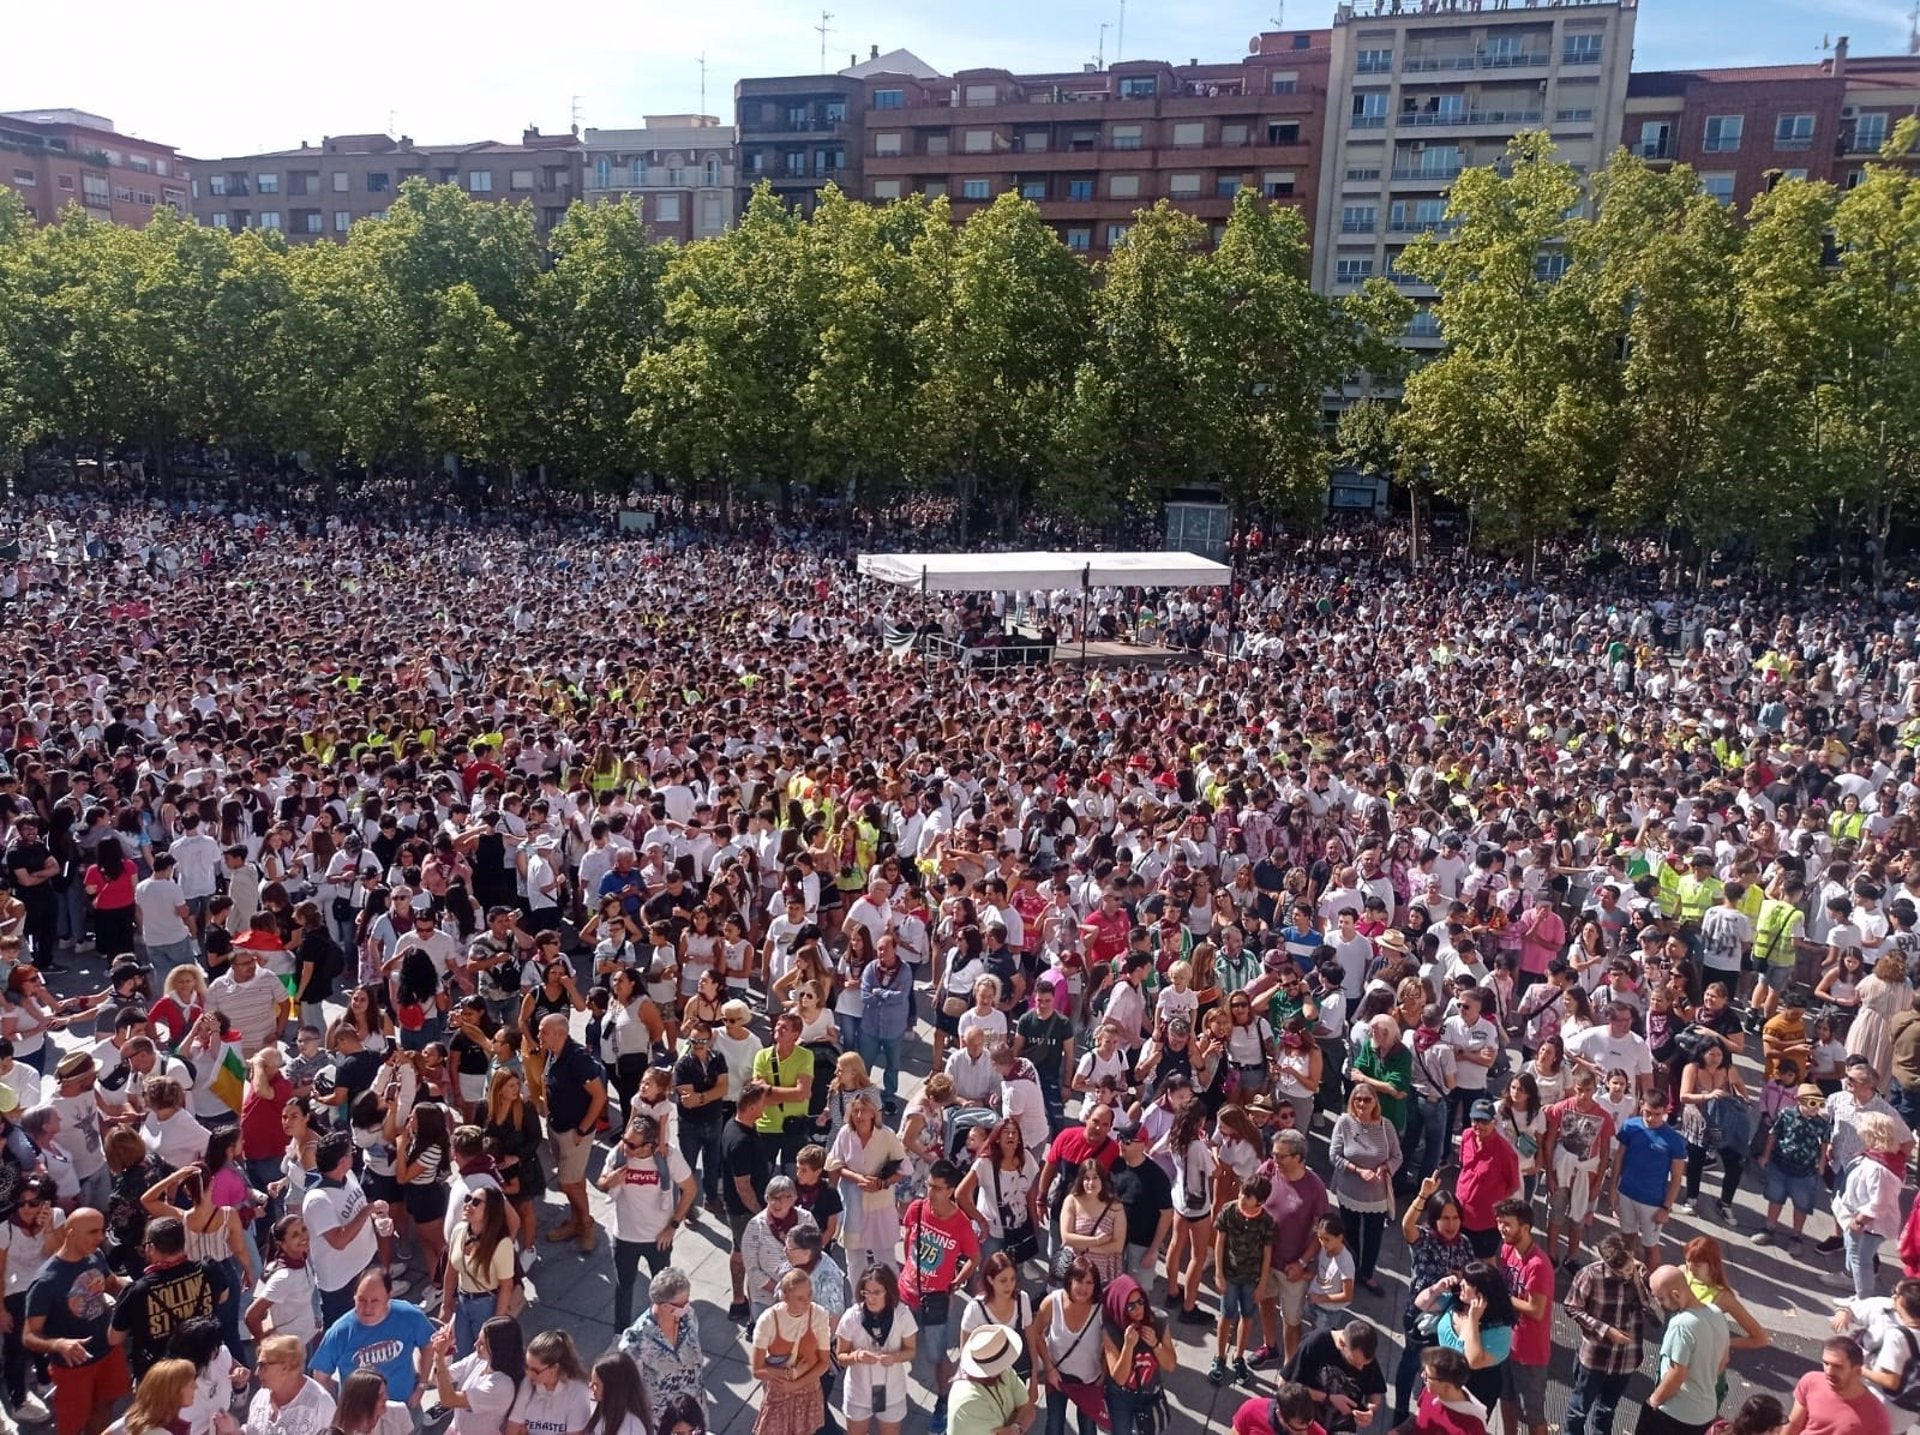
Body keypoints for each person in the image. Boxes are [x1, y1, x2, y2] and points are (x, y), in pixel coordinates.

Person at [22, 1206, 130, 1435]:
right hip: (74, 1367)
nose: (101, 1237)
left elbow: (111, 1282)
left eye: (102, 1231)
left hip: (108, 1350)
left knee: (106, 1404)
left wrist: (138, 1287)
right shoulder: (46, 1281)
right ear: (70, 1233)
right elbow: (29, 1335)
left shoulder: (95, 1256)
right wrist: (58, 1344)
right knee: (72, 1424)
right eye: (93, 1232)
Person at [599, 1113, 697, 1332]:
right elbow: (602, 1183)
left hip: (658, 1239)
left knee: (663, 1293)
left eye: (632, 1145)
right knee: (623, 1288)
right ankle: (620, 1334)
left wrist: (672, 1226)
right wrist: (609, 1181)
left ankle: (663, 1332)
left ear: (649, 1146)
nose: (626, 1147)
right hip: (625, 1237)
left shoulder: (669, 1156)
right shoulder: (619, 1154)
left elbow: (690, 1189)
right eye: (624, 1140)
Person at [903, 1159, 978, 1435]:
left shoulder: (961, 1224)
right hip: (906, 1294)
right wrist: (909, 1271)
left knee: (937, 1355)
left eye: (936, 1187)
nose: (930, 1192)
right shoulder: (917, 1208)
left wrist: (957, 1282)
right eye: (928, 1185)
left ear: (951, 1190)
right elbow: (908, 1238)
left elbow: (974, 1258)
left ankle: (944, 1400)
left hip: (936, 1300)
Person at [107, 1215, 230, 1378]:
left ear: (151, 1248)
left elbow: (114, 1338)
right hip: (205, 1364)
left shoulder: (137, 1291)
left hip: (161, 1377)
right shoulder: (210, 1269)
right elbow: (223, 1297)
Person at [1562, 1234, 1658, 1435]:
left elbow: (1656, 1317)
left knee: (1607, 1410)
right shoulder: (1589, 1275)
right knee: (1579, 1410)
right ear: (1606, 1263)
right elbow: (1572, 1307)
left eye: (1629, 1266)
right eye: (1621, 1271)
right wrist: (1606, 1330)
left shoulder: (1640, 1274)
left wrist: (1639, 1282)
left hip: (1626, 1359)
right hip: (1595, 1358)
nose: (1627, 1273)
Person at [537, 1011, 608, 1256]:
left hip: (574, 1133)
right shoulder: (552, 1052)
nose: (539, 1035)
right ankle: (575, 1221)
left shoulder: (578, 1059)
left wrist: (582, 1129)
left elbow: (599, 1096)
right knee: (574, 1181)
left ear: (560, 1033)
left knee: (568, 1182)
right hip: (557, 1126)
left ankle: (586, 1224)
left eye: (544, 1031)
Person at [310, 1270, 436, 1407]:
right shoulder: (340, 1332)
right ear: (354, 1297)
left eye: (375, 1301)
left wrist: (421, 1386)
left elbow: (428, 1345)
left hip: (404, 1404)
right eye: (362, 1300)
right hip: (360, 1413)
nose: (367, 1308)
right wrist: (338, 1409)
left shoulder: (409, 1316)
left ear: (388, 1297)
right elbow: (321, 1375)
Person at [302, 1130, 383, 1328]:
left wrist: (378, 1219)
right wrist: (367, 1210)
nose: (354, 1154)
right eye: (351, 1152)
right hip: (342, 1283)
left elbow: (358, 1211)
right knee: (345, 1332)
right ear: (343, 1161)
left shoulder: (348, 1176)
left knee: (376, 1321)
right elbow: (339, 1241)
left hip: (368, 1262)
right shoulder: (317, 1200)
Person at [1412, 1260, 1515, 1416]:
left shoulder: (1499, 1330)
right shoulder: (1455, 1300)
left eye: (1467, 1282)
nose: (1461, 1283)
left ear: (1480, 1293)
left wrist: (1473, 1319)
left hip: (1473, 1391)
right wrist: (1437, 1289)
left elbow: (1473, 1361)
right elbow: (1420, 1304)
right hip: (1439, 1377)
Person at [1643, 1266, 1732, 1435]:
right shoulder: (1716, 1313)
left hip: (1674, 1412)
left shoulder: (1681, 1325)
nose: (1659, 1304)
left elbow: (1677, 1375)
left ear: (1676, 1295)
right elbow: (1724, 1360)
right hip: (1705, 1412)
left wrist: (1653, 1401)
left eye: (1660, 1298)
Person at [615, 1266, 707, 1423]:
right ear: (665, 1306)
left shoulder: (688, 1317)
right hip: (661, 1419)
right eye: (683, 1304)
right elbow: (629, 1387)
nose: (688, 1307)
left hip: (694, 1409)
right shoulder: (635, 1341)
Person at [1609, 1090, 1688, 1269]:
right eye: (1648, 1113)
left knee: (1650, 1247)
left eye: (1657, 1114)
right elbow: (1619, 1157)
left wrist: (1666, 1207)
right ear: (1641, 1106)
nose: (1652, 1118)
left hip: (1652, 1202)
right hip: (1626, 1193)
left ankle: (1651, 1282)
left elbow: (1677, 1178)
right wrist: (1613, 1189)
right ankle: (1629, 1276)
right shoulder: (1629, 1127)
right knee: (1627, 1238)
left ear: (1665, 1111)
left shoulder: (1674, 1140)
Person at [836, 1263, 918, 1435]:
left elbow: (911, 1350)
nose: (871, 1298)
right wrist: (856, 1356)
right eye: (866, 1292)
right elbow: (840, 1356)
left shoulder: (902, 1315)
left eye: (877, 1292)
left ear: (888, 1291)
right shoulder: (851, 1317)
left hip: (891, 1392)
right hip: (859, 1391)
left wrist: (895, 1357)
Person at [1835, 1112, 1907, 1303]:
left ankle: (1863, 1300)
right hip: (1863, 1220)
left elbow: (1879, 1202)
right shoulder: (1882, 1158)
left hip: (1870, 1225)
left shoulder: (1880, 1168)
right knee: (1856, 1253)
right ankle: (1856, 1288)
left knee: (1861, 1258)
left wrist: (1860, 1221)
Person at [1495, 1198, 1553, 1435]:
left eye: (1507, 1224)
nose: (1502, 1228)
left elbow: (1536, 1310)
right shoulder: (1506, 1250)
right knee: (1506, 1398)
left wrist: (1501, 1297)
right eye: (1500, 1222)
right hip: (1505, 1343)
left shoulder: (1538, 1265)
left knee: (1533, 1414)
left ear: (1525, 1227)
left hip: (1529, 1353)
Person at [1211, 1172, 1274, 1387]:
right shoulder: (1229, 1211)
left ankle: (1238, 1357)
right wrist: (1219, 1273)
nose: (1241, 1199)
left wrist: (1262, 1284)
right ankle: (1220, 1356)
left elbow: (1267, 1254)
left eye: (1248, 1197)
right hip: (1229, 1276)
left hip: (1251, 1279)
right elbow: (1220, 1243)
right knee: (1226, 1315)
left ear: (1260, 1202)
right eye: (1241, 1193)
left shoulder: (1266, 1221)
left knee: (1247, 1317)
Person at [752, 1267, 832, 1435]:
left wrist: (795, 1384)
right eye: (800, 1298)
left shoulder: (819, 1314)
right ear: (785, 1297)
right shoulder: (768, 1320)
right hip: (779, 1390)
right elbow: (757, 1370)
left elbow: (824, 1362)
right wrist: (791, 1374)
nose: (807, 1302)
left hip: (808, 1389)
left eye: (809, 1295)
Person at [440, 1186, 517, 1358]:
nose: (468, 1205)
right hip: (462, 1302)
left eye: (476, 1202)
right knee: (461, 1356)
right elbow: (451, 1270)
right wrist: (446, 1304)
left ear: (490, 1210)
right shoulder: (459, 1230)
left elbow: (506, 1286)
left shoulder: (501, 1243)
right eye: (468, 1199)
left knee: (484, 1357)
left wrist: (496, 1324)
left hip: (486, 1305)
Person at [1029, 1256, 1103, 1435]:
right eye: (1079, 1281)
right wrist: (1049, 1368)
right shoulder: (1052, 1302)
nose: (1083, 1288)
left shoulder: (1101, 1308)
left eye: (1089, 1282)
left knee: (1088, 1429)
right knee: (1054, 1426)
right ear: (1069, 1280)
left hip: (1090, 1380)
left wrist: (1104, 1376)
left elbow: (1110, 1344)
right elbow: (1036, 1333)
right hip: (1058, 1377)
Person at [722, 1082, 774, 1323]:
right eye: (763, 1103)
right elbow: (744, 1187)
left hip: (740, 1209)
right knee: (751, 1257)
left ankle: (738, 1300)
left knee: (739, 1250)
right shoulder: (740, 1141)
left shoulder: (734, 1125)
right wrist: (762, 1215)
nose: (766, 1106)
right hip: (744, 1211)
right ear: (752, 1108)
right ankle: (750, 1308)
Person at [1281, 1319, 1385, 1435]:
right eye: (1355, 1363)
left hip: (1343, 1426)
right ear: (1342, 1343)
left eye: (1365, 1364)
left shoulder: (1363, 1355)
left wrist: (1370, 1411)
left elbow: (1375, 1390)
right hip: (1308, 1421)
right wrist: (1327, 1398)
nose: (1361, 1368)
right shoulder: (1315, 1344)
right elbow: (1286, 1386)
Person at [424, 1313, 523, 1435]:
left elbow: (449, 1400)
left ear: (499, 1349)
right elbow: (434, 1379)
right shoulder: (479, 1358)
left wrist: (439, 1358)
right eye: (478, 1340)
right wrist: (446, 1352)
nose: (475, 1345)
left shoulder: (501, 1386)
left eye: (482, 1344)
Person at [1100, 1275, 1174, 1435]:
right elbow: (1119, 1378)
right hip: (1121, 1396)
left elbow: (1171, 1365)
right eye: (1130, 1306)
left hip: (1150, 1392)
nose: (1139, 1309)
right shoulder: (1110, 1329)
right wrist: (1128, 1346)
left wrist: (1155, 1344)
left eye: (1141, 1302)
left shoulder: (1157, 1320)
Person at [1785, 1336, 1892, 1435]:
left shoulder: (1876, 1416)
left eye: (1838, 1367)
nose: (1829, 1372)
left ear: (1857, 1371)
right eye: (1826, 1363)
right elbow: (1794, 1424)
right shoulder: (1811, 1381)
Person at [1454, 1098, 1517, 1260]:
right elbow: (1463, 1166)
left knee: (1486, 1262)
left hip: (1486, 1221)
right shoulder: (1467, 1135)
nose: (1479, 1125)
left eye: (1484, 1121)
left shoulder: (1505, 1152)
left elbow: (1513, 1185)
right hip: (1460, 1214)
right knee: (1458, 1256)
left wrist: (1493, 1202)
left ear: (1494, 1122)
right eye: (1475, 1120)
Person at [947, 1325, 1036, 1435]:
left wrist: (1016, 1428)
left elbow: (1029, 1409)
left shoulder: (1004, 1371)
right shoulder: (969, 1399)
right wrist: (1019, 1422)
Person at [243, 1333, 337, 1435]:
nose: (256, 1372)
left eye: (262, 1365)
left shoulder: (320, 1405)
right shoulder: (261, 1396)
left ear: (286, 1367)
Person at [508, 1331, 592, 1435]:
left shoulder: (578, 1391)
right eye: (526, 1367)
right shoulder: (528, 1382)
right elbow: (512, 1428)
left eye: (535, 1370)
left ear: (554, 1368)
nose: (529, 1374)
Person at [108, 1357, 199, 1435]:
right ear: (173, 1390)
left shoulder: (131, 1420)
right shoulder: (158, 1432)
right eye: (190, 1384)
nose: (196, 1386)